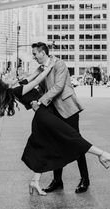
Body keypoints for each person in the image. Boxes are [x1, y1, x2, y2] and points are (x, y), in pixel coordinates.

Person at [0, 61, 110, 196]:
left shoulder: (20, 84)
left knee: (46, 147)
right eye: (6, 78)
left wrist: (40, 67)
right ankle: (103, 154)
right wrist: (49, 67)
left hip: (44, 115)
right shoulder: (17, 89)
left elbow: (34, 75)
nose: (8, 75)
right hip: (44, 117)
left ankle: (35, 181)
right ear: (8, 86)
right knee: (71, 136)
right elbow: (38, 79)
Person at [31, 41, 90, 194]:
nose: (34, 57)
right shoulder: (41, 69)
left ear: (43, 53)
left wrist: (41, 100)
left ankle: (85, 179)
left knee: (76, 143)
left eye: (35, 54)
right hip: (54, 111)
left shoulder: (59, 64)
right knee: (55, 144)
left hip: (68, 108)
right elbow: (41, 87)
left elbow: (58, 86)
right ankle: (57, 181)